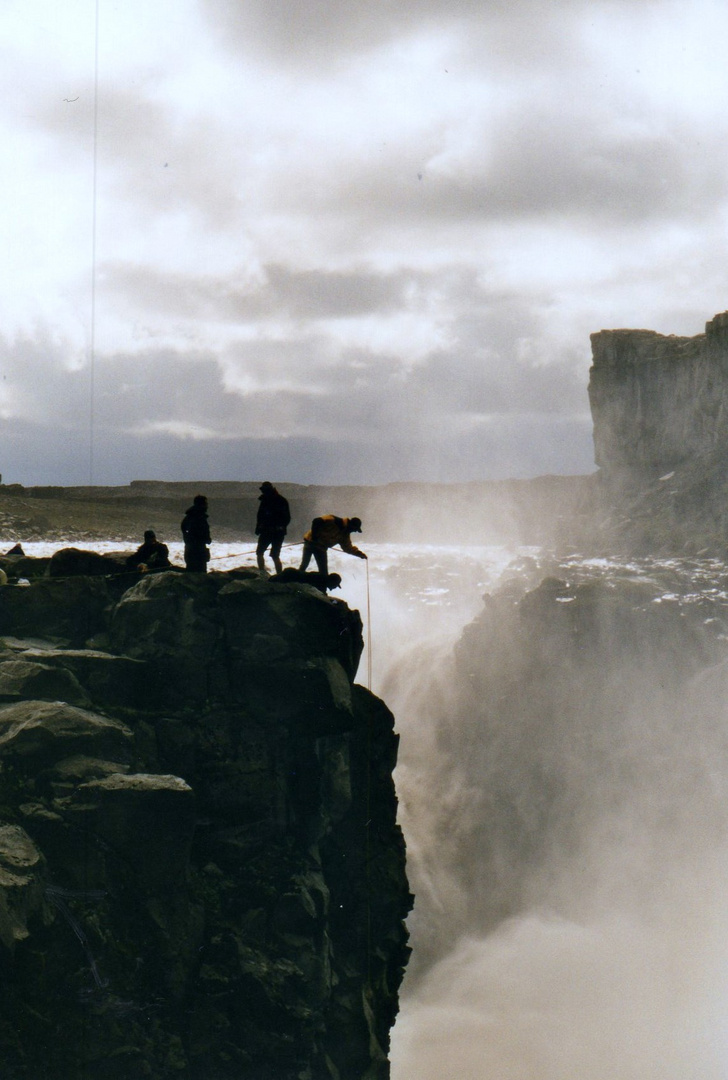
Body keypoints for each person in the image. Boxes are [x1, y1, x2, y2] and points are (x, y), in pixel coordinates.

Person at [298, 515, 367, 575]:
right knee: (307, 566)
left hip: (321, 548)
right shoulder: (334, 520)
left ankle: (318, 588)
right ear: (351, 525)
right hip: (310, 543)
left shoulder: (345, 535)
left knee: (321, 571)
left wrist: (359, 554)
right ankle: (296, 582)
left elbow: (348, 548)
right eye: (355, 529)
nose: (354, 531)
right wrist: (314, 537)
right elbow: (316, 521)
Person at [255, 481, 290, 575]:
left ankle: (278, 575)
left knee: (272, 555)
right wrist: (258, 527)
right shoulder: (266, 500)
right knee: (261, 553)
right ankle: (263, 573)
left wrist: (280, 527)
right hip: (269, 532)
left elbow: (286, 518)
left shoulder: (280, 500)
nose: (263, 492)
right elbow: (260, 516)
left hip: (275, 532)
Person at [181, 494, 211, 572]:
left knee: (191, 574)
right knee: (199, 575)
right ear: (201, 505)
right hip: (197, 551)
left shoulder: (189, 517)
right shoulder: (199, 517)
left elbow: (184, 529)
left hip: (190, 550)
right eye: (205, 504)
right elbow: (201, 533)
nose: (207, 506)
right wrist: (206, 539)